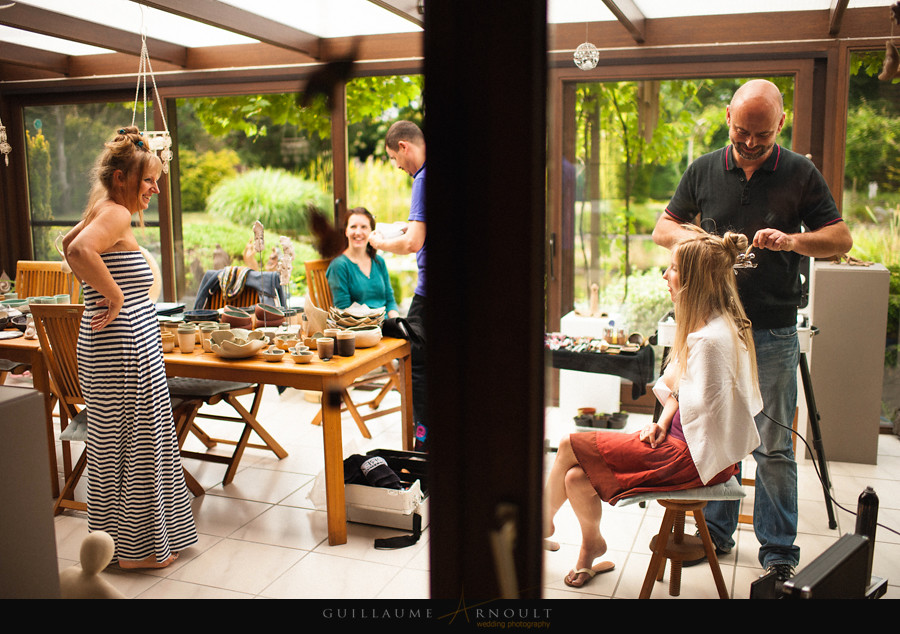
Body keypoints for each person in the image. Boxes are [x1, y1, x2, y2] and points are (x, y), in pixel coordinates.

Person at [652, 79, 853, 582]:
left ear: (779, 126)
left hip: (772, 331)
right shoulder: (703, 170)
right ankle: (717, 535)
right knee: (716, 433)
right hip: (716, 330)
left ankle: (779, 553)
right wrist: (702, 240)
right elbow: (663, 229)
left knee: (774, 445)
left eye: (760, 136)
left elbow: (840, 238)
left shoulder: (800, 173)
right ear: (728, 119)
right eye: (742, 132)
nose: (748, 144)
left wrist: (792, 241)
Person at [544, 227, 763, 588]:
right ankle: (591, 548)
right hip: (684, 445)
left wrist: (668, 435)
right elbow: (685, 388)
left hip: (691, 457)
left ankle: (541, 524)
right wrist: (662, 422)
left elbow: (710, 418)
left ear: (693, 281)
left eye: (672, 268)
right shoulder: (712, 325)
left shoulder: (710, 341)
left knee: (569, 444)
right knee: (575, 479)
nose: (665, 276)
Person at [63, 126, 198, 569]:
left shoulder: (102, 208)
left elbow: (67, 245)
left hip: (114, 346)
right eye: (148, 181)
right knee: (137, 445)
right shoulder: (115, 214)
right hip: (122, 349)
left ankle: (122, 546)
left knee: (119, 445)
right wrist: (116, 296)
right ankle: (139, 552)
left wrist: (101, 291)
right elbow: (80, 248)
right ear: (121, 177)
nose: (155, 189)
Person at [369, 120, 428, 450]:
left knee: (415, 363)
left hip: (429, 293)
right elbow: (415, 229)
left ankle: (423, 444)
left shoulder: (421, 179)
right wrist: (394, 232)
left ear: (404, 146)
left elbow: (414, 243)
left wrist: (379, 244)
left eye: (393, 158)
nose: (397, 166)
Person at [326, 207, 400, 319]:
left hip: (385, 326)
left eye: (364, 227)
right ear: (346, 231)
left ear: (371, 232)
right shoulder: (339, 265)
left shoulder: (379, 261)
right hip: (359, 329)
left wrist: (397, 322)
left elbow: (390, 301)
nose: (358, 232)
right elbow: (343, 310)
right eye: (353, 227)